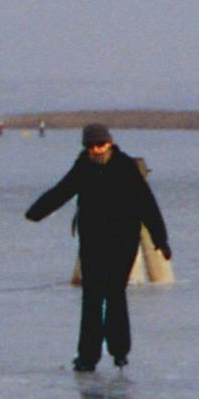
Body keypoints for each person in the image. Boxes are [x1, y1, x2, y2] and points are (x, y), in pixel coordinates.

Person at [26, 123, 171, 372]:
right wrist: (36, 212)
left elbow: (147, 204)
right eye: (91, 146)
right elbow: (62, 191)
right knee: (91, 298)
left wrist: (161, 241)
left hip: (122, 242)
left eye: (101, 145)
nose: (96, 150)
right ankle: (87, 357)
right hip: (93, 242)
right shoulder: (83, 166)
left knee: (115, 293)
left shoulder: (125, 167)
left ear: (110, 143)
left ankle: (119, 351)